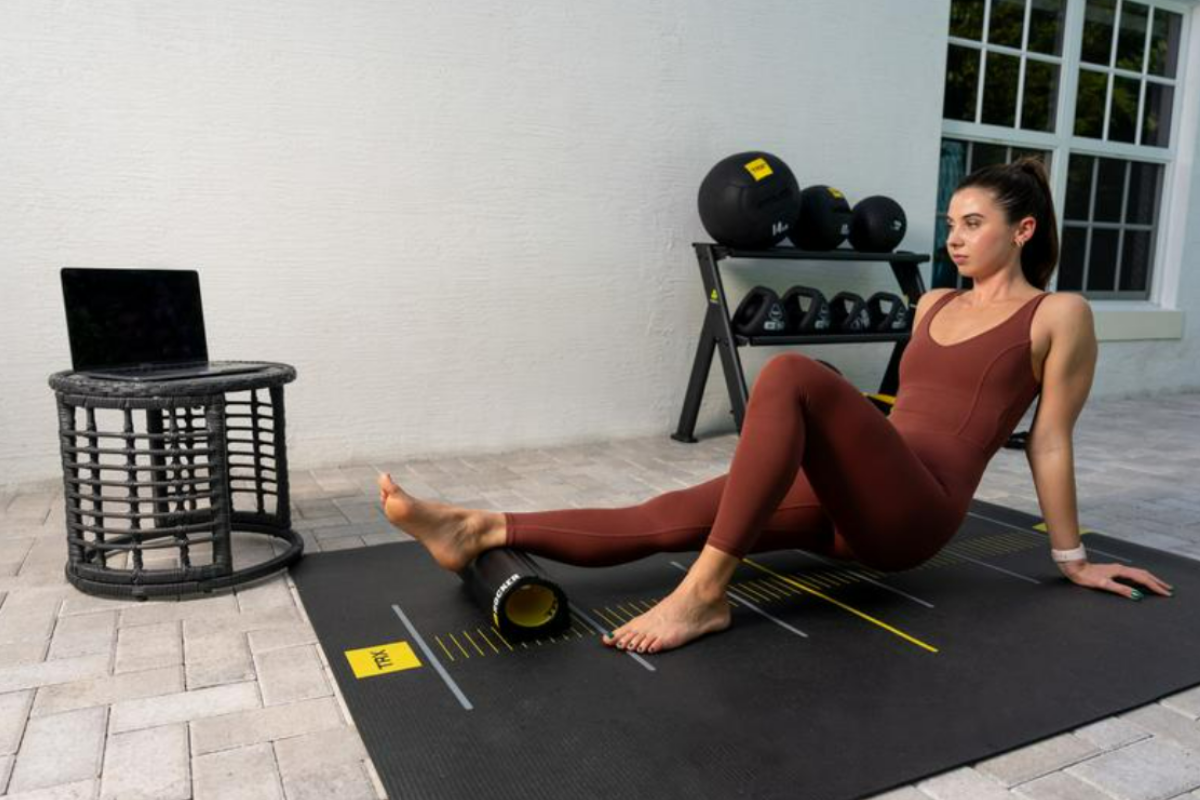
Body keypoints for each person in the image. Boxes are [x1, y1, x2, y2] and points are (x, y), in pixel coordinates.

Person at [376, 157, 1174, 655]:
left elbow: (1051, 442)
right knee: (674, 510)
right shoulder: (930, 302)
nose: (956, 238)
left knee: (793, 370)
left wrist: (1072, 560)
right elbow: (908, 408)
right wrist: (827, 445)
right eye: (951, 223)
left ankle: (706, 593)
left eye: (973, 224)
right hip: (859, 492)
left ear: (1024, 229)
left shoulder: (1059, 315)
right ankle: (480, 529)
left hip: (914, 515)